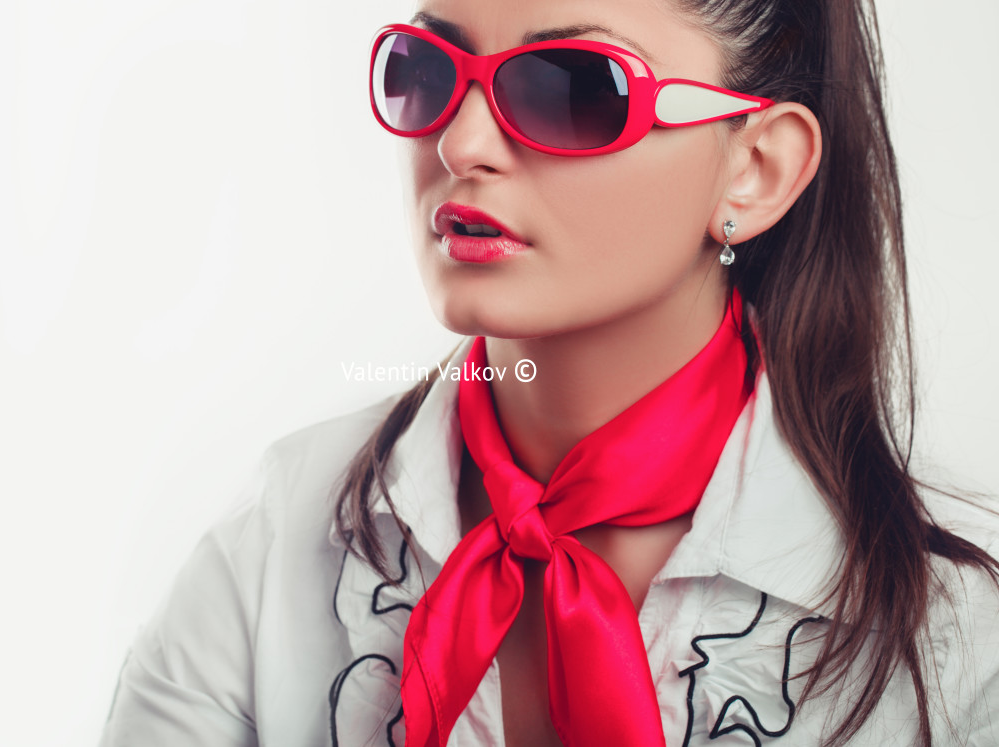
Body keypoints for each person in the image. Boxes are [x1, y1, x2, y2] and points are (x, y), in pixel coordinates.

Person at [99, 0, 999, 744]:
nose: (463, 142)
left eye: (572, 89)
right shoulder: (278, 542)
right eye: (425, 70)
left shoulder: (958, 642)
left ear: (754, 171)